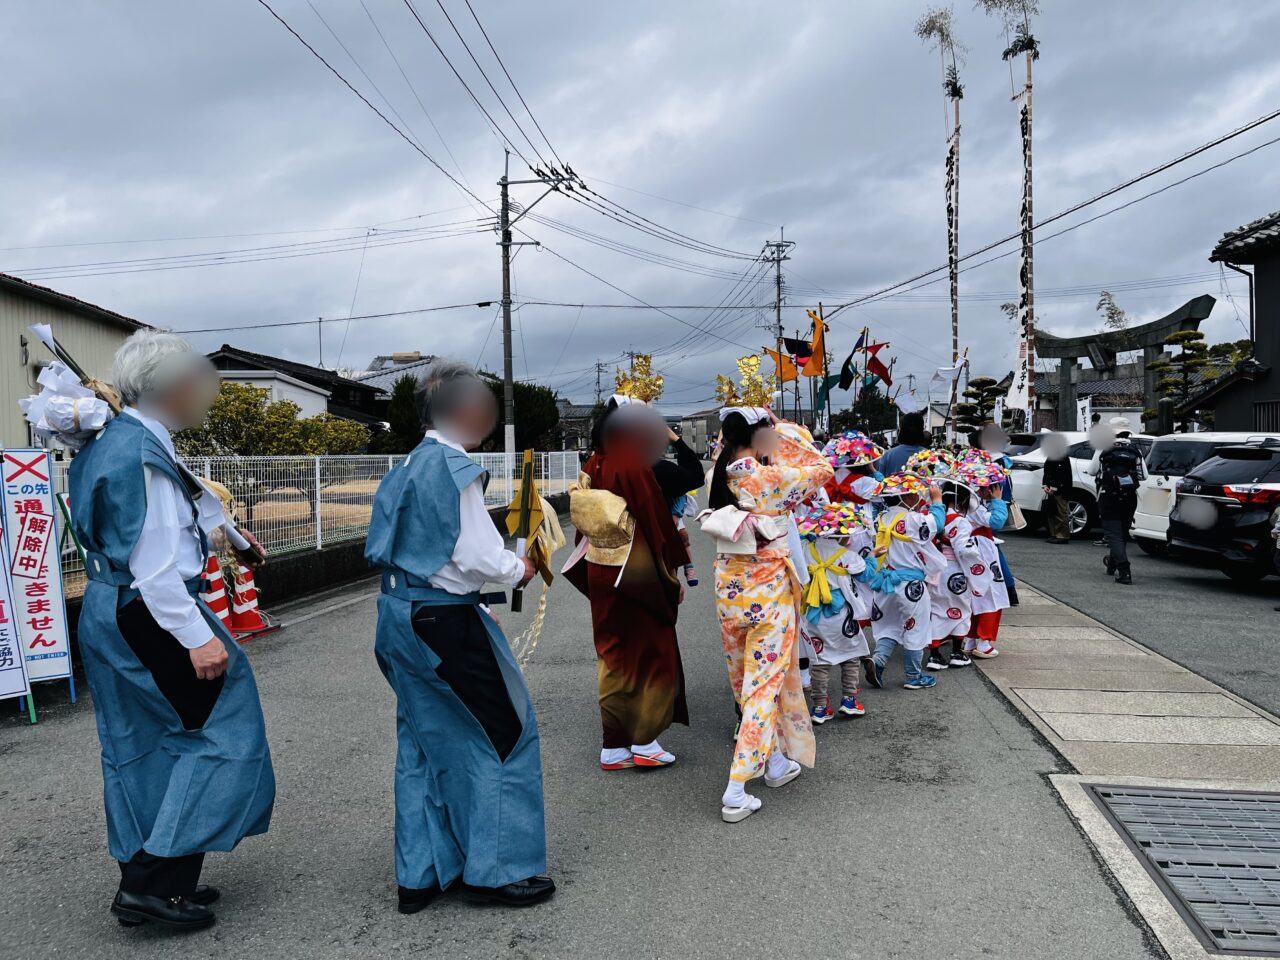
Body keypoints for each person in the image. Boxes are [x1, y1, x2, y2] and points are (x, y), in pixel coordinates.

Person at [68, 331, 274, 931]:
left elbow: (191, 504)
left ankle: (161, 877)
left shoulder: (117, 441)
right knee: (222, 734)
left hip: (110, 607)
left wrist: (235, 540)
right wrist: (199, 637)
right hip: (151, 611)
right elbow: (157, 566)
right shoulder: (144, 455)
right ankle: (153, 881)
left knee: (144, 745)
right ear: (173, 388)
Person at [365, 360, 550, 913]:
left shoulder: (407, 466)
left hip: (401, 613)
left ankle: (420, 873)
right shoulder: (453, 466)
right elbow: (476, 555)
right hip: (442, 620)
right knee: (502, 733)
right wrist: (521, 569)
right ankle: (498, 870)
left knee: (424, 740)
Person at [700, 403, 832, 823]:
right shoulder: (771, 478)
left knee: (746, 682)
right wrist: (783, 431)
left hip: (729, 589)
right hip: (769, 592)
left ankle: (775, 763)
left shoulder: (715, 476)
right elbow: (821, 466)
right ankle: (737, 788)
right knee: (764, 687)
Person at [565, 403, 691, 771]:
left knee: (613, 652)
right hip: (635, 568)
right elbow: (654, 521)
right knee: (649, 650)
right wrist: (671, 571)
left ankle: (614, 744)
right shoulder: (631, 463)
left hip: (600, 564)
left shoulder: (594, 463)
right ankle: (645, 740)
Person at [866, 473, 947, 690]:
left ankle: (879, 660)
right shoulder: (911, 519)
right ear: (908, 496)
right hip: (910, 586)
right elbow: (937, 524)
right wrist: (937, 499)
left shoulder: (881, 518)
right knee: (916, 627)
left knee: (889, 625)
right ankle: (914, 676)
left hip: (884, 583)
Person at [956, 453, 1011, 658]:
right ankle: (984, 641)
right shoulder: (974, 501)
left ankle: (970, 639)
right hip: (982, 550)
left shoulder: (961, 497)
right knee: (991, 594)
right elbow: (996, 522)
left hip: (967, 549)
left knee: (973, 595)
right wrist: (997, 501)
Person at [1086, 416, 1146, 586]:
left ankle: (1124, 570)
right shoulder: (1135, 450)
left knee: (1113, 534)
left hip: (1108, 495)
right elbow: (1144, 475)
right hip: (1129, 496)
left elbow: (1092, 471)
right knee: (1122, 532)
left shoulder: (1104, 447)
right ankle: (1112, 563)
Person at [1041, 433, 1073, 544]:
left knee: (1060, 512)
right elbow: (1047, 471)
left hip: (1061, 489)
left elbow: (1063, 475)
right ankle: (1054, 534)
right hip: (1051, 488)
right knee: (1052, 511)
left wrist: (1053, 487)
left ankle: (1063, 535)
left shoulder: (1063, 456)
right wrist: (1045, 485)